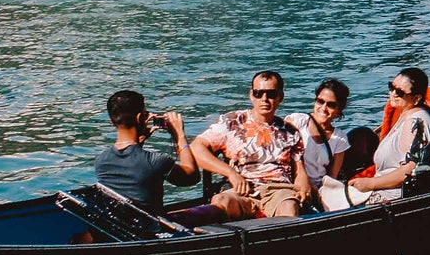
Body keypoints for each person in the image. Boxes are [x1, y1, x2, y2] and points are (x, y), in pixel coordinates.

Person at [191, 70, 311, 220]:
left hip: (279, 190)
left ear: (280, 96)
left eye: (271, 94)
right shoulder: (232, 122)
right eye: (258, 93)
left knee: (289, 207)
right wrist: (230, 173)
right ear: (251, 95)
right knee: (222, 202)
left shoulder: (291, 132)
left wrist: (303, 187)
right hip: (241, 188)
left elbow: (299, 171)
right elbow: (196, 148)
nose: (264, 99)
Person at [319, 67, 430, 211]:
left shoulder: (415, 123)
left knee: (326, 200)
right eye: (391, 87)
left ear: (416, 98)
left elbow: (412, 169)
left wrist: (371, 183)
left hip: (391, 197)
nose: (392, 93)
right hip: (381, 189)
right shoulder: (405, 116)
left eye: (399, 92)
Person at [95, 90, 198, 213]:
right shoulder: (155, 161)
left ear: (112, 121)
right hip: (152, 227)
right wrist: (179, 134)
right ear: (140, 118)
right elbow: (192, 177)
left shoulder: (101, 161)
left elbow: (131, 162)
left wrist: (139, 140)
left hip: (122, 224)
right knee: (221, 205)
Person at [285, 79, 350, 193]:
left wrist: (320, 192)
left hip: (320, 189)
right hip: (294, 183)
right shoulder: (298, 121)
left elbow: (332, 176)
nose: (323, 108)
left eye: (331, 105)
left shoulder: (340, 138)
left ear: (339, 109)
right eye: (320, 101)